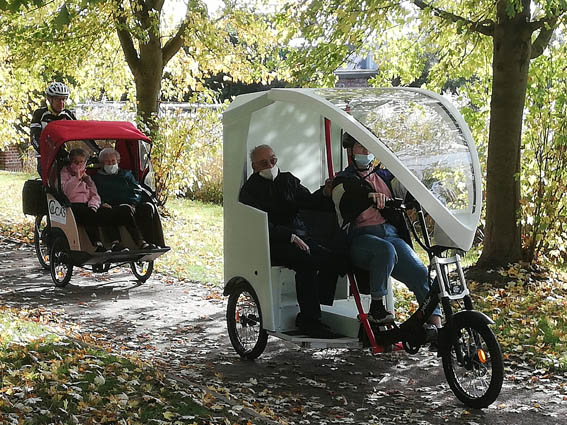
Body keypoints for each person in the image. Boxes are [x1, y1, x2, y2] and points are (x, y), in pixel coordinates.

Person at [332, 133, 442, 328]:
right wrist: (369, 195)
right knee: (385, 251)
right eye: (360, 146)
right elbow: (345, 196)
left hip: (391, 235)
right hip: (361, 238)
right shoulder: (342, 180)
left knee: (420, 273)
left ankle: (438, 328)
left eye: (369, 146)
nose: (366, 151)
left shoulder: (385, 176)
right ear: (351, 151)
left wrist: (432, 187)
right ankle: (377, 308)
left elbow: (407, 188)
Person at [239, 144, 340, 339]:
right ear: (254, 167)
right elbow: (259, 224)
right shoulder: (250, 191)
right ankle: (309, 320)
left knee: (334, 257)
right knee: (306, 262)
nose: (270, 165)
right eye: (264, 163)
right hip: (272, 242)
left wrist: (325, 193)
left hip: (299, 236)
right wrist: (289, 236)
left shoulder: (288, 180)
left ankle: (319, 308)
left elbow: (309, 201)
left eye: (273, 160)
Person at [61, 148, 142, 253]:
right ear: (71, 162)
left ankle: (117, 244)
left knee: (106, 212)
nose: (79, 165)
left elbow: (94, 194)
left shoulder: (87, 177)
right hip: (72, 204)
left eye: (82, 162)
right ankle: (97, 245)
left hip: (88, 204)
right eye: (76, 162)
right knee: (88, 213)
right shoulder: (65, 174)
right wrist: (77, 177)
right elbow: (67, 192)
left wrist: (93, 205)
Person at [92, 147, 157, 249]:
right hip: (112, 207)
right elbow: (94, 194)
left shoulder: (127, 174)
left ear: (117, 161)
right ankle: (139, 242)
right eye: (107, 162)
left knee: (148, 207)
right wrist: (102, 203)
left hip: (131, 204)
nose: (111, 164)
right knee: (124, 209)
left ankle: (152, 241)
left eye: (113, 161)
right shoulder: (97, 179)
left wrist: (133, 203)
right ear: (102, 163)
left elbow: (137, 190)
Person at [30, 82, 76, 175]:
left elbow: (80, 133)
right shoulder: (40, 114)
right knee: (52, 179)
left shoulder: (68, 114)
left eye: (64, 99)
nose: (61, 103)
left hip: (64, 155)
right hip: (46, 157)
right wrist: (44, 151)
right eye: (58, 99)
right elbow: (34, 137)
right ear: (49, 99)